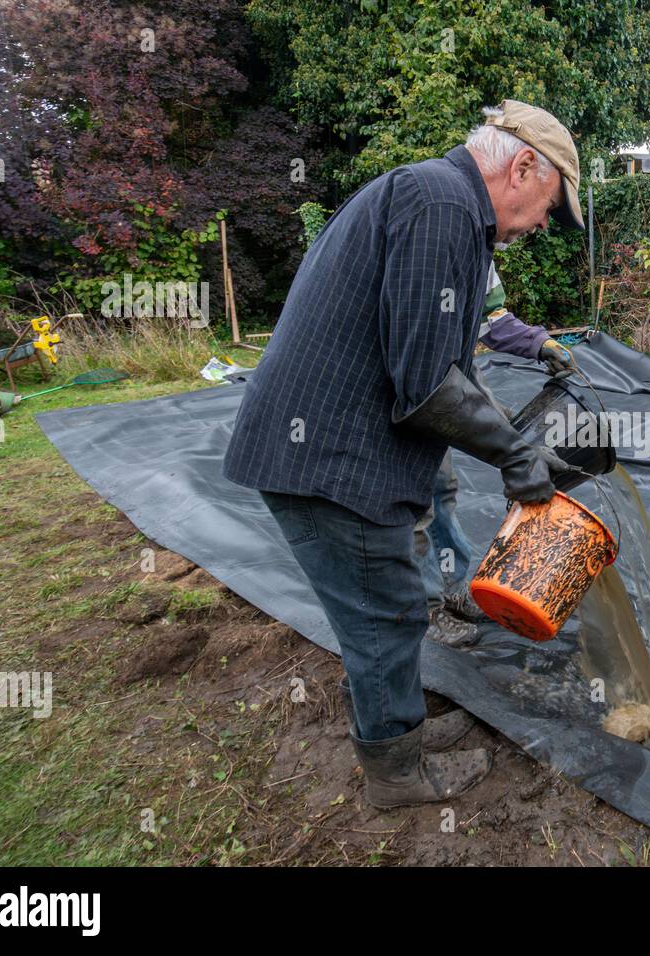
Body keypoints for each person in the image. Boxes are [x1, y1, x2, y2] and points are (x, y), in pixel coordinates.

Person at [222, 100, 585, 808]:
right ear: (522, 167)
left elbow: (440, 364)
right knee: (383, 616)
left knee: (390, 608)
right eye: (550, 207)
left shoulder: (436, 199)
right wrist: (515, 456)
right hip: (329, 459)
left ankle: (401, 730)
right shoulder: (442, 206)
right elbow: (424, 387)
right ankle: (396, 774)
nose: (544, 224)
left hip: (336, 448)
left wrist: (518, 442)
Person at [421, 262, 577, 647]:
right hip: (407, 387)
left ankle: (452, 587)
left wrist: (539, 344)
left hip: (447, 370)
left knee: (441, 488)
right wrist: (513, 454)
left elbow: (493, 320)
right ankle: (424, 608)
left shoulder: (481, 254)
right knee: (414, 500)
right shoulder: (434, 240)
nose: (539, 226)